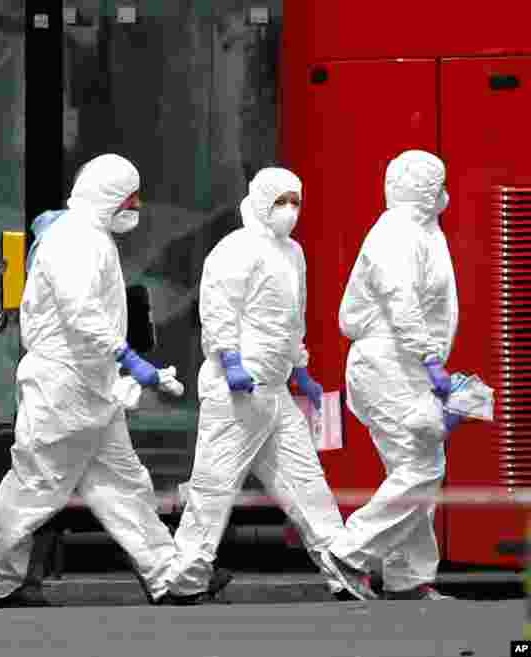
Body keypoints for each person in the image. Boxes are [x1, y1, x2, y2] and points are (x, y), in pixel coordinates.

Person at [0, 154, 209, 607]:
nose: (135, 207)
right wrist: (130, 359)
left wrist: (123, 361)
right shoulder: (76, 240)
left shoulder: (88, 236)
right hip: (63, 385)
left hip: (90, 386)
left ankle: (169, 577)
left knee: (125, 485)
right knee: (37, 486)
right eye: (128, 198)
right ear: (106, 196)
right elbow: (81, 315)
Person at [167, 167, 353, 601]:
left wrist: (300, 368)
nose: (290, 211)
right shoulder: (235, 249)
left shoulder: (294, 254)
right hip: (236, 391)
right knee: (213, 489)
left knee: (308, 483)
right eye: (281, 201)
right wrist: (230, 359)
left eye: (296, 201)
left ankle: (344, 570)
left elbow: (291, 319)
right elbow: (218, 308)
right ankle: (183, 579)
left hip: (273, 392)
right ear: (261, 200)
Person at [321, 150, 461, 601]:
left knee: (410, 468)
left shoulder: (420, 230)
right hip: (391, 365)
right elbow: (401, 300)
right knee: (422, 465)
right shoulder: (398, 233)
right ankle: (348, 552)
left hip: (403, 366)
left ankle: (409, 578)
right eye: (437, 182)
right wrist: (431, 360)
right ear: (425, 187)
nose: (443, 192)